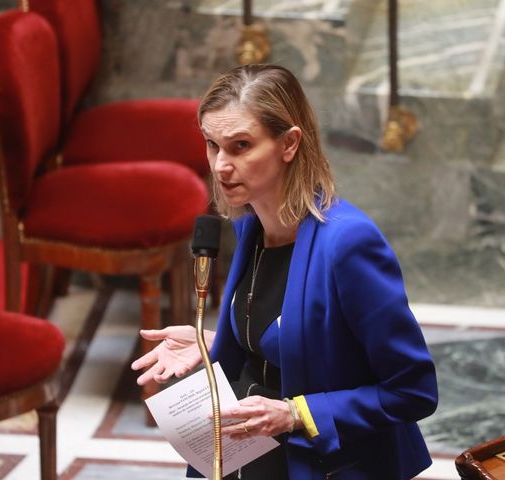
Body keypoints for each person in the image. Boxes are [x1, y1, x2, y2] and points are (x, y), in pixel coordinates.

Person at [131, 64, 438, 479]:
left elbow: (413, 390)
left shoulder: (348, 245)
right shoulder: (250, 226)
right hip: (250, 455)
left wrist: (296, 414)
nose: (221, 165)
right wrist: (213, 340)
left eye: (241, 146)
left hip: (321, 465)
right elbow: (291, 335)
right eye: (212, 145)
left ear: (289, 144)